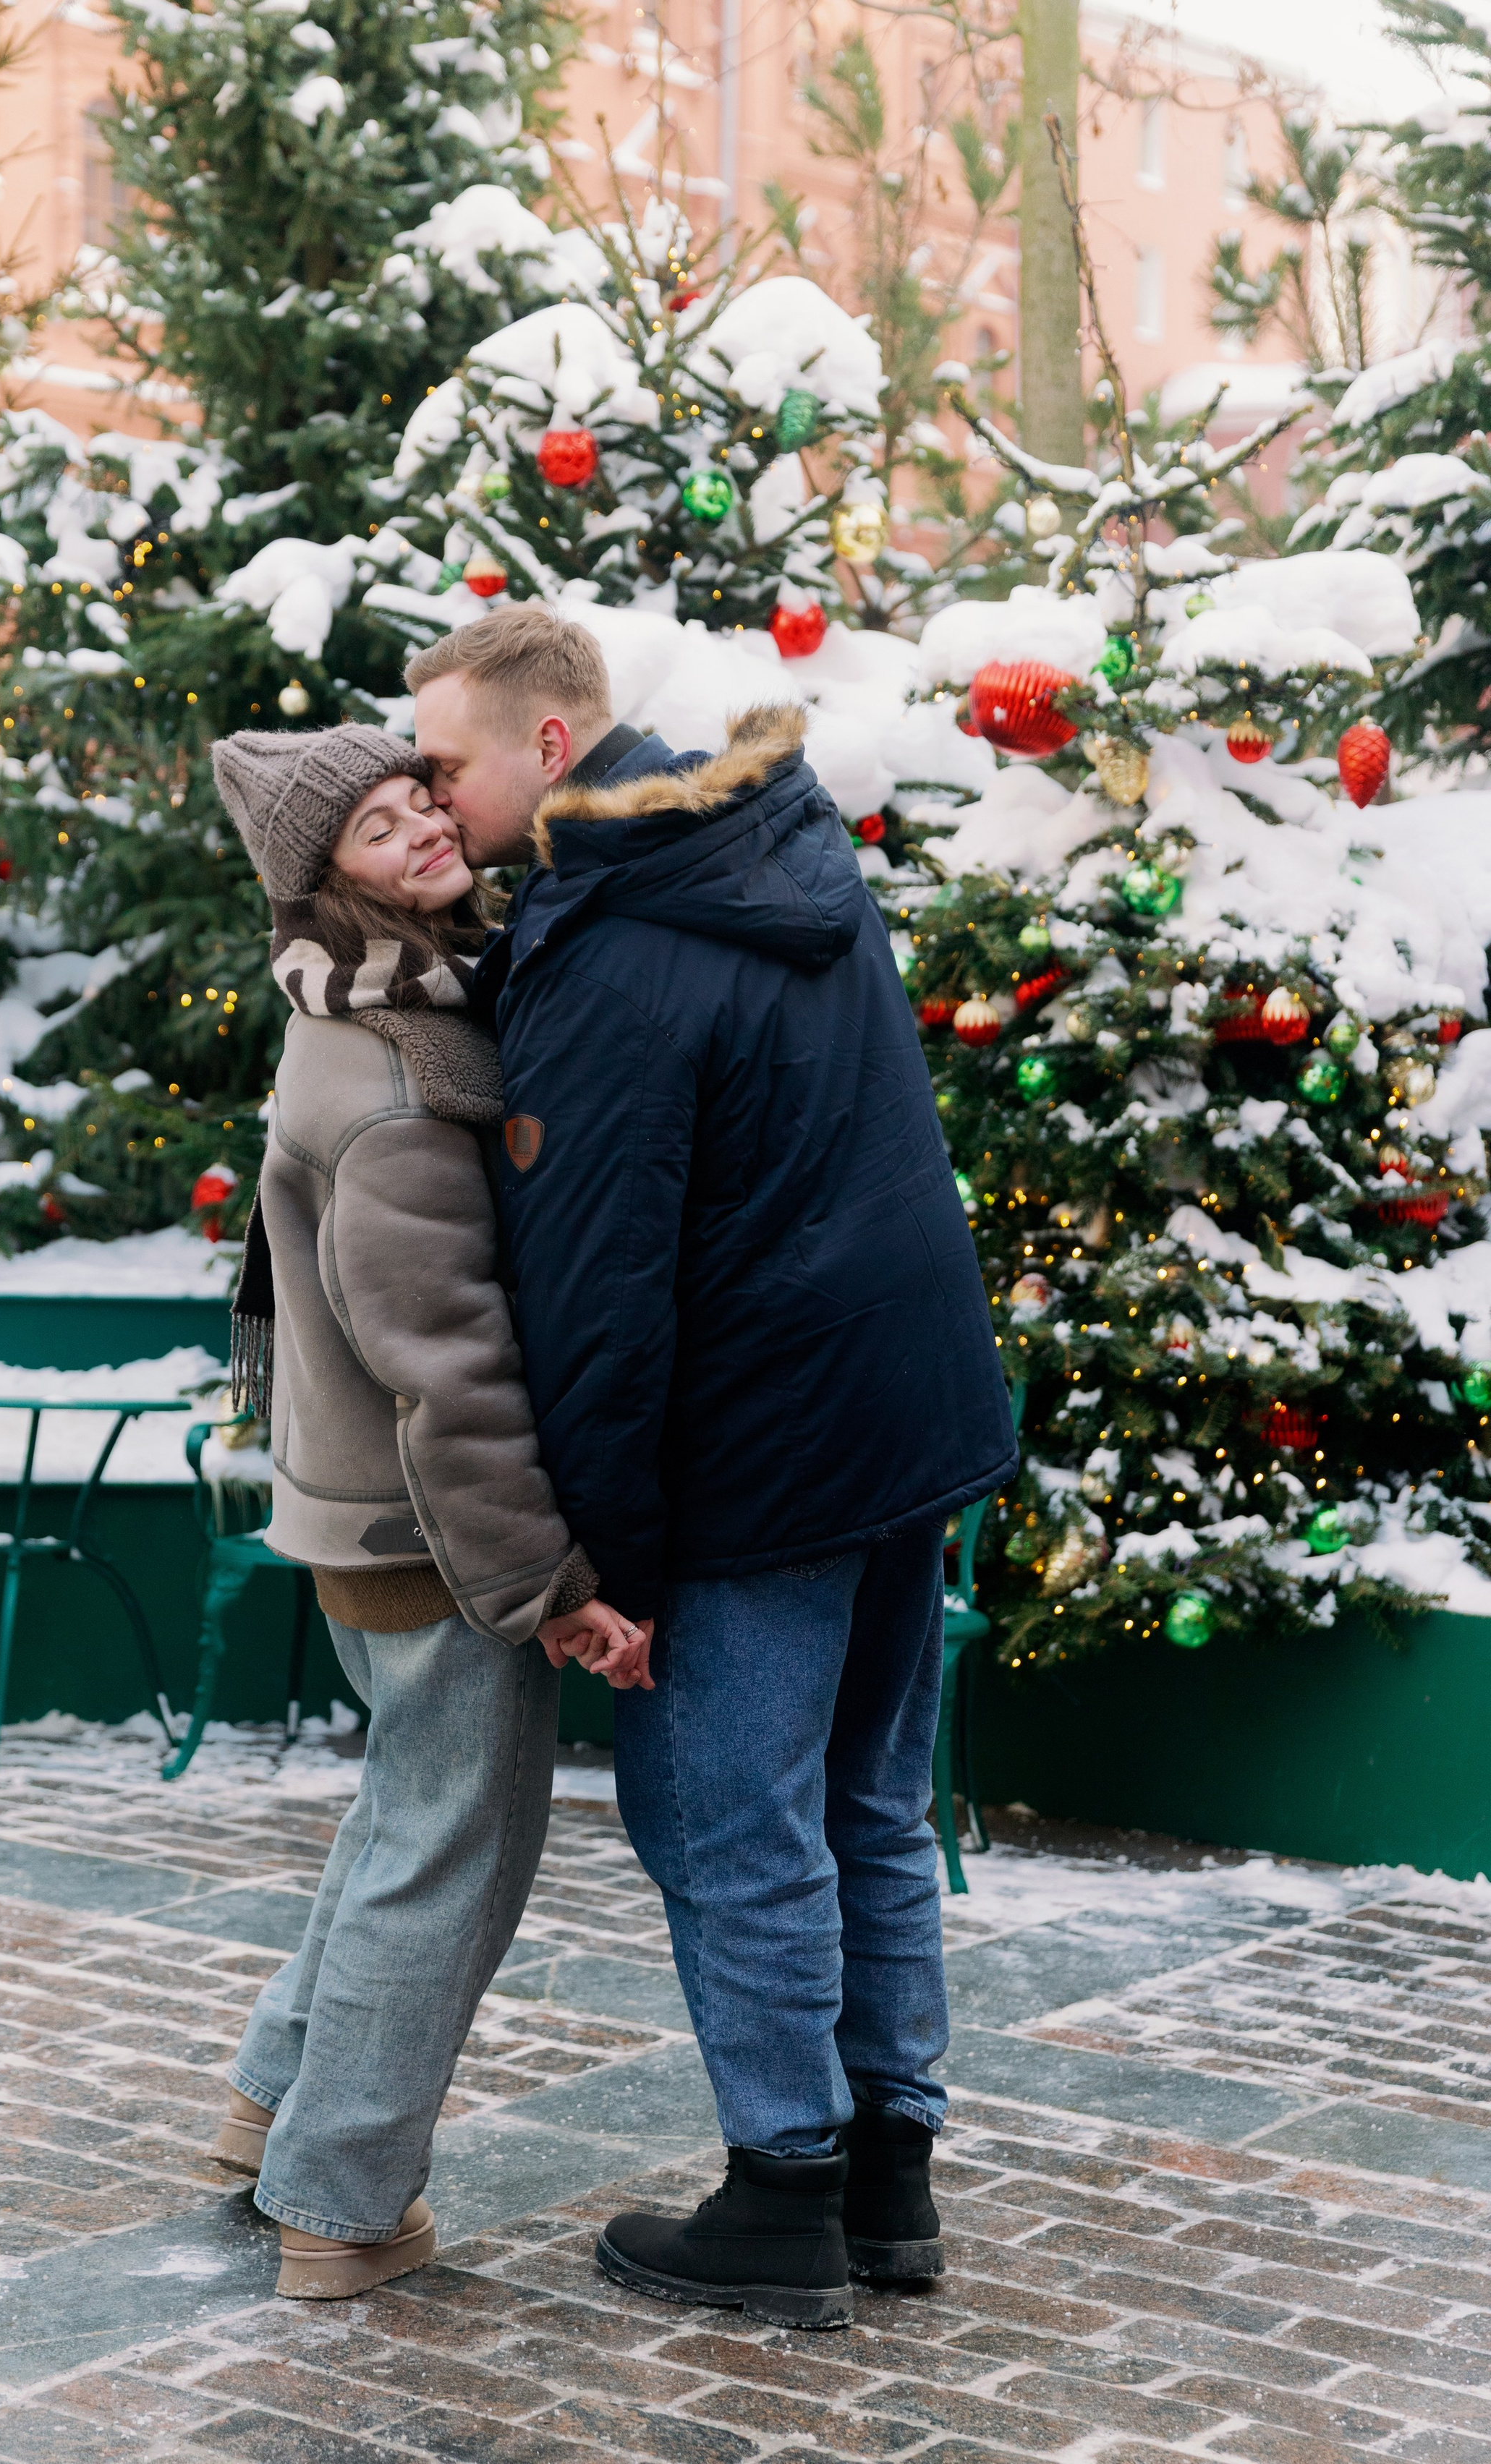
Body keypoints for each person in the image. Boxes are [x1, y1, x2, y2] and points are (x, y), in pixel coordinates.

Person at [411, 608, 1019, 2332]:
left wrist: (602, 1570)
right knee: (866, 1807)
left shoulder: (613, 943)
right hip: (901, 1418)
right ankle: (888, 2179)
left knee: (727, 1823)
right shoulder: (771, 856)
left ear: (546, 749)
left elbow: (601, 1294)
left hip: (762, 1445)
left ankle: (780, 2202)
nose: (425, 797)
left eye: (443, 764)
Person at [207, 721, 648, 2302]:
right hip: (424, 1531)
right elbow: (444, 1363)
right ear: (322, 879)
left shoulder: (385, 1004)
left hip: (361, 1515)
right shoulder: (398, 1069)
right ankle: (338, 2202)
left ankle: (270, 2102)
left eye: (420, 804)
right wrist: (541, 1580)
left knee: (403, 1815)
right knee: (452, 1854)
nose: (422, 837)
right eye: (380, 830)